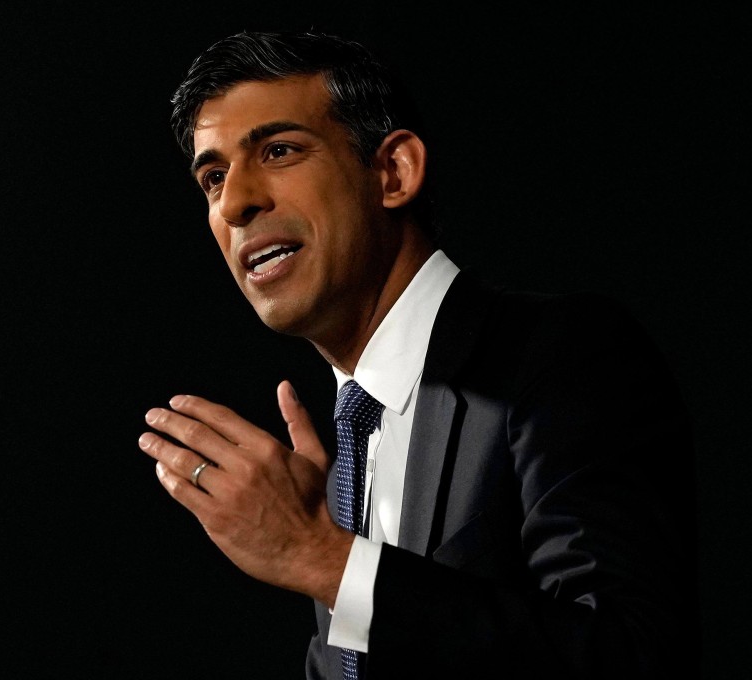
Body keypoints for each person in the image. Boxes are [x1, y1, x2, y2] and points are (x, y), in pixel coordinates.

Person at [137, 29, 699, 679]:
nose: (236, 203)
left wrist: (320, 558)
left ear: (394, 172)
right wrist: (326, 557)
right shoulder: (337, 460)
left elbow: (630, 655)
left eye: (279, 150)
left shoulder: (565, 354)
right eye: (213, 178)